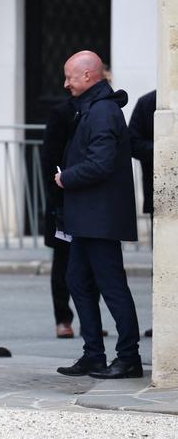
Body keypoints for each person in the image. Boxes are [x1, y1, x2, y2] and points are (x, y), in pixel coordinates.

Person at [55, 51, 142, 379]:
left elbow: (101, 164)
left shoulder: (103, 111)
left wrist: (66, 178)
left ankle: (128, 357)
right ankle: (93, 355)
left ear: (88, 76)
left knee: (112, 286)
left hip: (100, 219)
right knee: (77, 280)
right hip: (89, 217)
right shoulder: (93, 107)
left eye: (70, 77)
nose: (66, 84)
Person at [39, 97, 77, 339]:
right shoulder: (62, 112)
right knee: (62, 262)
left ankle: (90, 316)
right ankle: (62, 318)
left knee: (93, 263)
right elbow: (49, 158)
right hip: (63, 199)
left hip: (90, 199)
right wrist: (57, 195)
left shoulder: (102, 109)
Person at [129, 89, 155, 338]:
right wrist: (163, 148)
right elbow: (133, 142)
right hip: (160, 196)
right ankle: (164, 318)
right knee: (163, 264)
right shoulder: (149, 103)